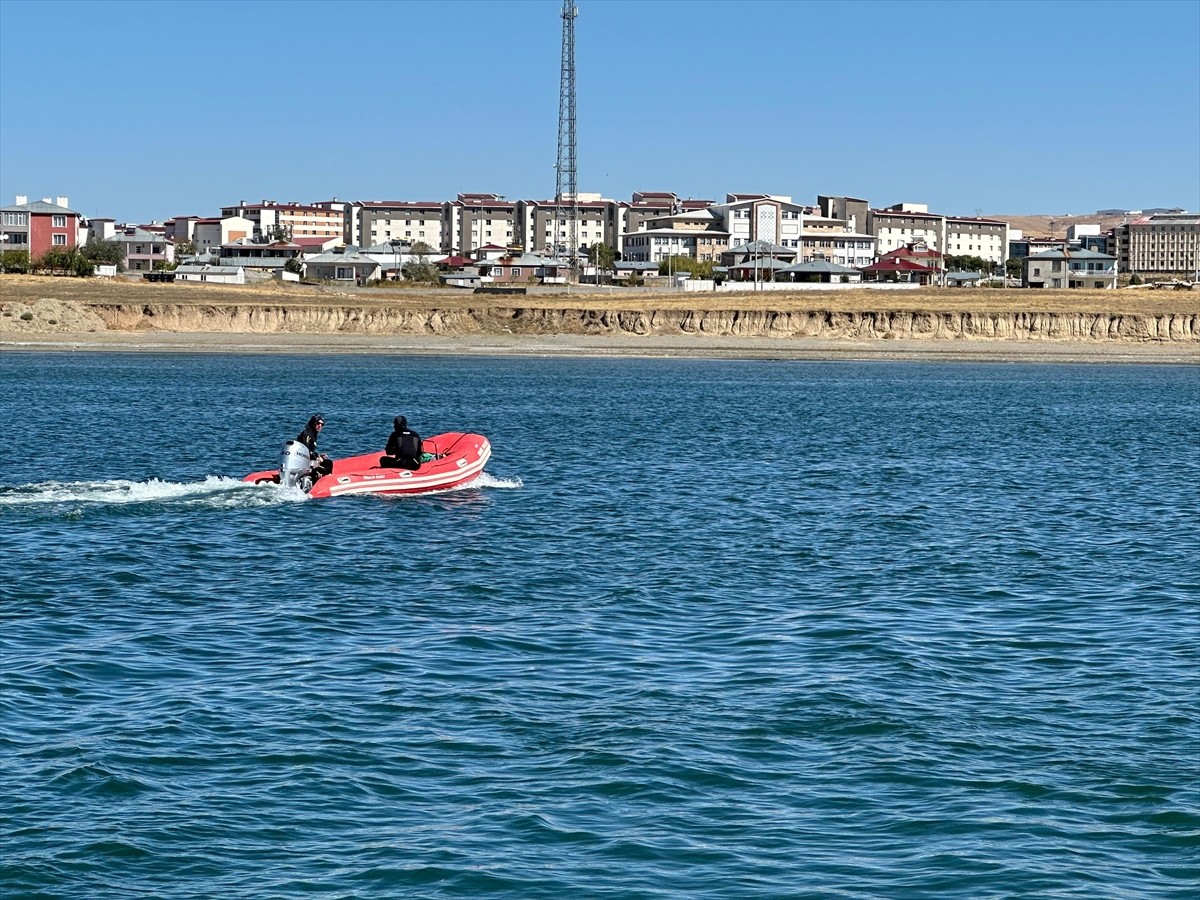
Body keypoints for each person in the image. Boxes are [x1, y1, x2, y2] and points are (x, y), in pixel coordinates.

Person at [297, 414, 333, 479]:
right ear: (313, 423)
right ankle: (323, 480)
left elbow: (310, 450)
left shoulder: (313, 434)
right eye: (318, 423)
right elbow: (306, 450)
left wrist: (319, 456)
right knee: (328, 464)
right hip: (304, 463)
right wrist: (317, 458)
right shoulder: (307, 434)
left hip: (307, 460)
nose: (320, 426)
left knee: (327, 462)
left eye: (322, 424)